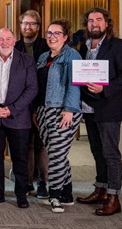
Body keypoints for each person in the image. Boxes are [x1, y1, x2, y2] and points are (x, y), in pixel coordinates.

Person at [76, 7, 122, 216]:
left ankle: (113, 197)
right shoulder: (84, 48)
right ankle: (100, 188)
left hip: (108, 108)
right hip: (88, 108)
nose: (94, 24)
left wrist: (104, 88)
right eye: (90, 21)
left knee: (111, 153)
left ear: (106, 23)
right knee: (97, 152)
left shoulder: (119, 46)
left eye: (98, 20)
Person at [0, 28, 38, 209]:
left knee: (20, 158)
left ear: (14, 41)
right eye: (0, 40)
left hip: (18, 117)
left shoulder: (26, 60)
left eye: (8, 39)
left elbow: (32, 89)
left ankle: (21, 194)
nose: (4, 43)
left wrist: (11, 110)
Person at [35, 19, 82, 213]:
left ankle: (55, 196)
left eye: (57, 33)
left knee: (56, 155)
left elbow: (75, 83)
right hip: (44, 110)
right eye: (49, 33)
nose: (52, 37)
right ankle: (67, 193)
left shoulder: (72, 55)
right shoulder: (44, 56)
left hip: (64, 111)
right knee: (58, 152)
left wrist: (69, 109)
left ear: (65, 37)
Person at [15, 10, 50, 199]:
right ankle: (28, 182)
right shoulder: (16, 46)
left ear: (38, 26)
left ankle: (43, 182)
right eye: (25, 24)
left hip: (43, 103)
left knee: (42, 144)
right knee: (26, 145)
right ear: (20, 26)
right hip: (21, 105)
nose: (28, 27)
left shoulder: (46, 46)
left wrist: (37, 107)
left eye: (32, 24)